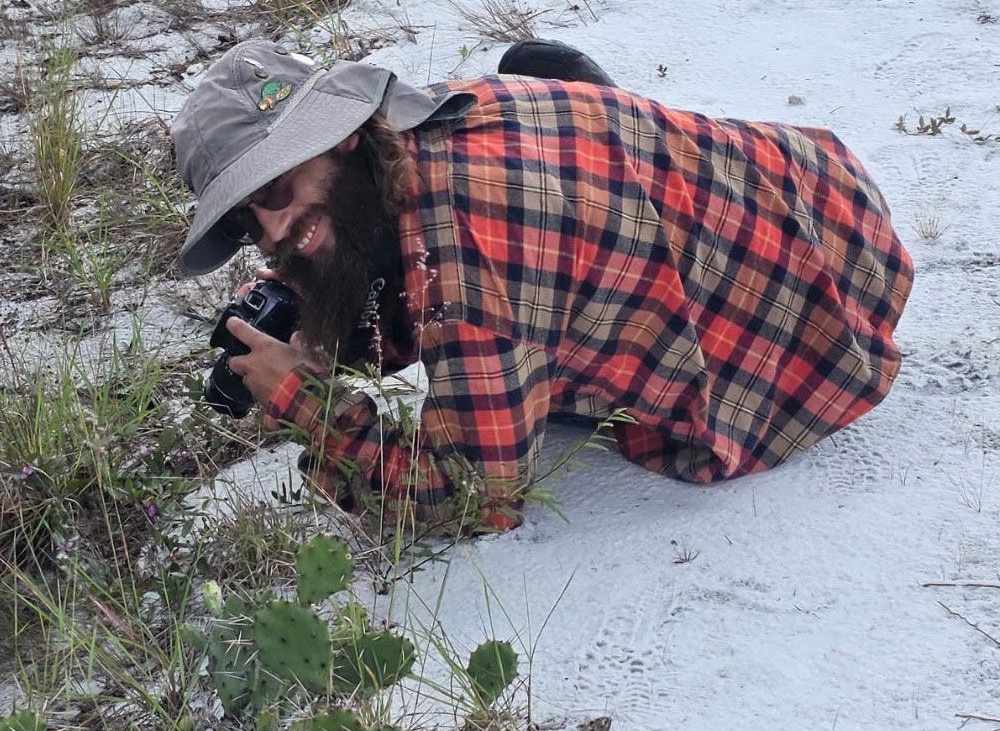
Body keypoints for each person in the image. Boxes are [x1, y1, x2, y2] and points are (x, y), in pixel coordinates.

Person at [171, 39, 913, 531]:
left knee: (520, 381)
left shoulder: (465, 261)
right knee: (523, 68)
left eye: (271, 194)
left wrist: (306, 400)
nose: (267, 236)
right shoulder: (408, 128)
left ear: (339, 137)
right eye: (243, 223)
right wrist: (315, 300)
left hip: (824, 304)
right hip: (807, 179)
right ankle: (603, 217)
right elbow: (365, 240)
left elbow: (478, 498)